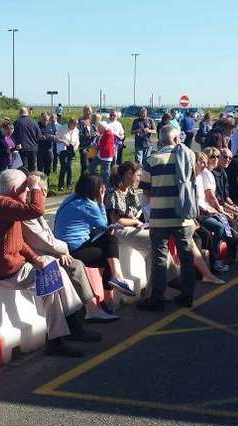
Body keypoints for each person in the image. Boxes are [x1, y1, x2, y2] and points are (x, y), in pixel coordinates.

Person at [0, 169, 88, 357]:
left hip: (12, 266)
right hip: (6, 270)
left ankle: (71, 317)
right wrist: (36, 184)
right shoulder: (0, 203)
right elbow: (36, 209)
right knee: (50, 281)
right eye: (25, 189)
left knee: (50, 266)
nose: (28, 193)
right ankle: (58, 338)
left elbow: (18, 242)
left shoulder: (3, 206)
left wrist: (35, 259)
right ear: (14, 188)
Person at [22, 173, 116, 326]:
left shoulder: (69, 200)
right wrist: (62, 251)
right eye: (40, 190)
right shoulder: (29, 213)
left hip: (53, 251)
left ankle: (97, 305)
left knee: (109, 248)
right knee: (77, 265)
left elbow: (48, 238)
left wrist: (60, 250)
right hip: (41, 258)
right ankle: (90, 310)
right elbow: (44, 241)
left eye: (43, 190)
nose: (44, 194)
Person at [54, 173, 138, 309]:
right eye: (101, 186)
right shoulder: (89, 205)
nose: (103, 188)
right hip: (74, 249)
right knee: (109, 253)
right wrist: (101, 201)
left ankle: (113, 288)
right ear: (96, 189)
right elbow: (104, 224)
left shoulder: (70, 198)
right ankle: (111, 295)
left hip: (65, 246)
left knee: (109, 244)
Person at [136, 126, 197, 311]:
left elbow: (146, 191)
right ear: (177, 138)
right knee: (186, 258)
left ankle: (158, 298)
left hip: (160, 218)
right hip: (183, 217)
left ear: (160, 140)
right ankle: (187, 296)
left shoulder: (151, 160)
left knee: (160, 259)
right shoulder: (189, 156)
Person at [104, 162, 154, 291]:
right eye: (138, 175)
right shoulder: (112, 191)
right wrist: (135, 222)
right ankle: (152, 289)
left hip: (130, 227)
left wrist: (141, 222)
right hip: (116, 231)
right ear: (128, 174)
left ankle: (158, 283)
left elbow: (136, 213)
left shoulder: (130, 190)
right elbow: (115, 220)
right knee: (156, 241)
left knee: (158, 242)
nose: (139, 178)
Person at [194, 152, 230, 273]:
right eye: (201, 162)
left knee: (224, 221)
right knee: (218, 227)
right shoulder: (191, 178)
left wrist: (212, 208)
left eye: (205, 162)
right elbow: (197, 200)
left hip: (204, 210)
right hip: (197, 213)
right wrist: (207, 208)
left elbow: (207, 197)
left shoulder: (201, 176)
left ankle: (221, 256)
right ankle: (213, 261)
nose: (204, 165)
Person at [12, 107, 40, 171]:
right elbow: (39, 136)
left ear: (19, 113)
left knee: (23, 169)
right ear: (27, 113)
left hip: (22, 149)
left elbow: (13, 136)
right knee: (32, 169)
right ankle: (32, 181)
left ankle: (24, 180)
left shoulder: (17, 123)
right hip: (33, 149)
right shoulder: (34, 122)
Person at [56, 118, 79, 190]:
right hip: (63, 150)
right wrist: (63, 141)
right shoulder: (62, 128)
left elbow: (77, 141)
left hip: (71, 151)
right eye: (74, 124)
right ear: (70, 123)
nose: (76, 126)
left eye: (76, 124)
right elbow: (56, 138)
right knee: (63, 167)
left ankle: (69, 184)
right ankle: (61, 185)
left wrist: (75, 147)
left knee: (70, 168)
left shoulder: (76, 130)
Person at [78, 106, 98, 175]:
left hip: (92, 146)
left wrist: (95, 134)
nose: (89, 112)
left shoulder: (92, 120)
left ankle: (93, 181)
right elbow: (80, 133)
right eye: (87, 110)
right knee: (84, 166)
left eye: (90, 110)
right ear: (84, 111)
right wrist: (89, 135)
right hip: (84, 146)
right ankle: (83, 183)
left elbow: (96, 131)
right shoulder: (81, 121)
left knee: (93, 165)